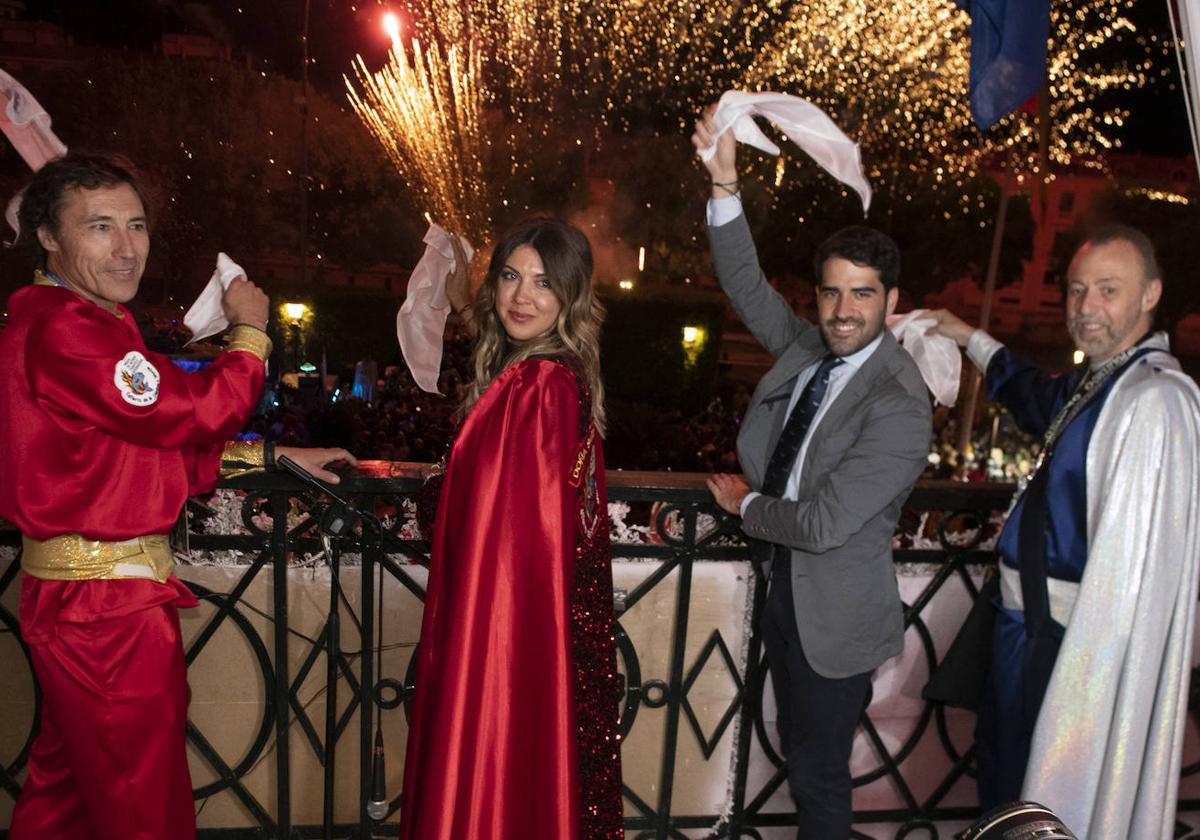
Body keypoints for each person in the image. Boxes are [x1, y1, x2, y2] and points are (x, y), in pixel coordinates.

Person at [0, 150, 355, 840]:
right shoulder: (68, 328)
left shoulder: (68, 320)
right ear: (48, 237)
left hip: (86, 602)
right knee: (143, 807)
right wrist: (249, 334)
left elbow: (134, 448)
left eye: (136, 226)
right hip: (106, 612)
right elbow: (189, 413)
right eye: (101, 227)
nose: (127, 248)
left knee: (67, 799)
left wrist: (272, 454)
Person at [693, 108, 932, 839]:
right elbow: (744, 282)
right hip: (786, 597)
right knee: (799, 758)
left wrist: (749, 508)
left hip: (836, 618)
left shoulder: (899, 403)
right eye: (832, 292)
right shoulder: (807, 349)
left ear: (891, 302)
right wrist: (726, 183)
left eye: (862, 294)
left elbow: (826, 522)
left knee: (819, 776)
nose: (844, 309)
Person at [925, 225, 1200, 838]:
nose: (1085, 308)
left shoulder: (1155, 402)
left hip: (1077, 652)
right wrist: (965, 335)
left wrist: (1093, 669)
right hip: (1025, 631)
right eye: (1078, 291)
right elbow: (1027, 391)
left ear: (1150, 293)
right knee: (1006, 786)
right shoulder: (1097, 383)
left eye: (1108, 290)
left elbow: (1138, 569)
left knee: (1045, 799)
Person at [398, 219, 623, 840]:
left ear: (570, 296)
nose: (522, 296)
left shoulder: (536, 388)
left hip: (500, 636)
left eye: (544, 283)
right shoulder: (558, 375)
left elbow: (499, 539)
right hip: (527, 632)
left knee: (487, 774)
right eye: (511, 277)